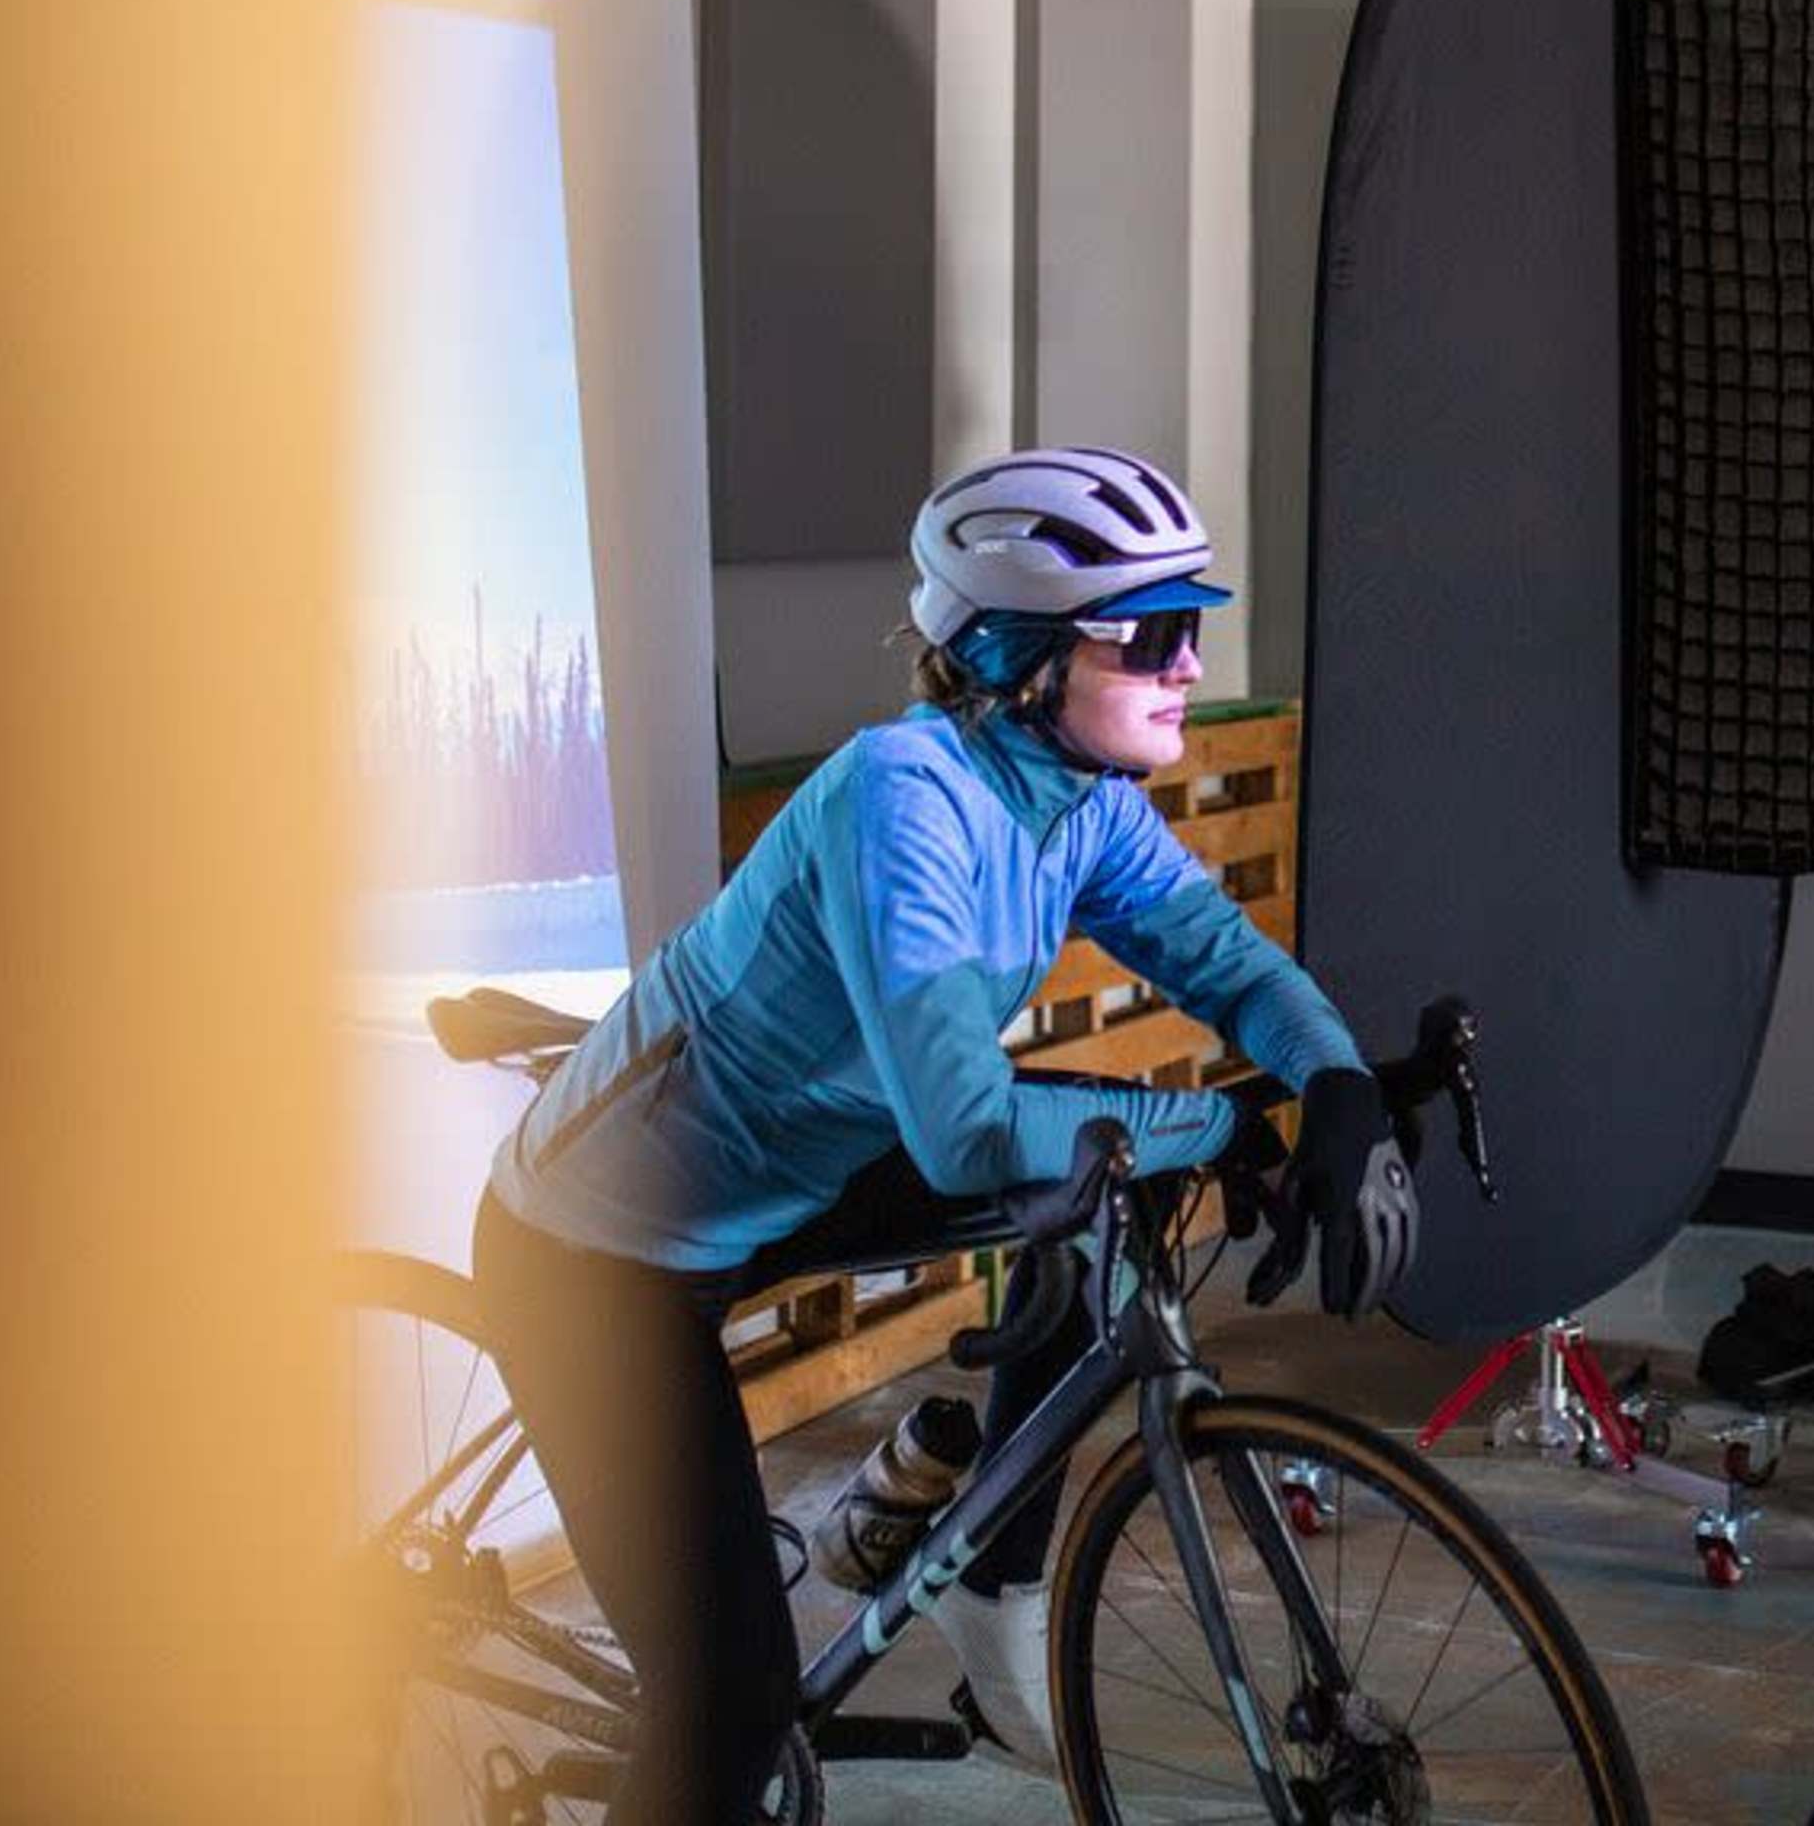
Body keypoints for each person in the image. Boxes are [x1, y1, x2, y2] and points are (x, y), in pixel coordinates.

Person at [471, 446, 1416, 1821]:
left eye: (1194, 627)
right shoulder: (901, 801)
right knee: (723, 1718)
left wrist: (1333, 1081)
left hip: (805, 1165)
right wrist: (1218, 1124)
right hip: (604, 1249)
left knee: (1091, 1210)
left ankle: (994, 1568)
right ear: (1024, 657)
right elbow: (972, 1137)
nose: (1191, 668)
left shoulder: (1077, 800)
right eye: (1153, 636)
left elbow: (1225, 959)